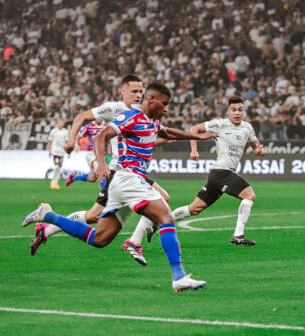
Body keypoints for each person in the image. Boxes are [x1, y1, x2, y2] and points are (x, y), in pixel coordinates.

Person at [22, 83, 217, 293]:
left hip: (129, 182)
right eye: (165, 103)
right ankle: (178, 276)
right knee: (165, 217)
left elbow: (169, 132)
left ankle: (49, 216)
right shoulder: (131, 116)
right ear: (151, 100)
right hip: (127, 178)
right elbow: (101, 136)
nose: (167, 109)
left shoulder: (152, 121)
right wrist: (102, 164)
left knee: (100, 239)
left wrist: (198, 136)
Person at [28, 75, 172, 266]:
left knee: (160, 199)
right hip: (118, 173)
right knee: (94, 216)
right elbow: (82, 117)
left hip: (135, 172)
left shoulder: (145, 115)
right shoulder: (114, 109)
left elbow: (146, 139)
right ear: (123, 91)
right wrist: (72, 140)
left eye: (141, 91)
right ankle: (133, 242)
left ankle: (47, 228)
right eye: (134, 91)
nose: (138, 95)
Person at [171, 96, 265, 246]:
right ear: (228, 111)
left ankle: (158, 221)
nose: (237, 113)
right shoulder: (220, 124)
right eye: (233, 110)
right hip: (222, 172)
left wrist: (259, 151)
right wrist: (194, 151)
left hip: (219, 174)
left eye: (240, 110)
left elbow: (256, 148)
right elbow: (194, 129)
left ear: (243, 111)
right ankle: (238, 234)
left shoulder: (247, 128)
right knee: (249, 195)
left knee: (194, 209)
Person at [65, 119, 107, 188]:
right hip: (91, 154)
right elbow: (78, 135)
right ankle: (105, 196)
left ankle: (73, 178)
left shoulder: (106, 125)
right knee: (101, 172)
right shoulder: (89, 126)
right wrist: (76, 144)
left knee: (92, 178)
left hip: (102, 155)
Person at [47, 119, 69, 189]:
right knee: (56, 166)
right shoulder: (53, 131)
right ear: (57, 124)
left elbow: (67, 142)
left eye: (61, 123)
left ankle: (56, 183)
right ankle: (53, 181)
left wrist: (68, 152)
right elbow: (49, 141)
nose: (60, 124)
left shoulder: (65, 131)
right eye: (59, 123)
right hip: (55, 151)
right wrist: (49, 151)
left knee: (59, 168)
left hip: (62, 152)